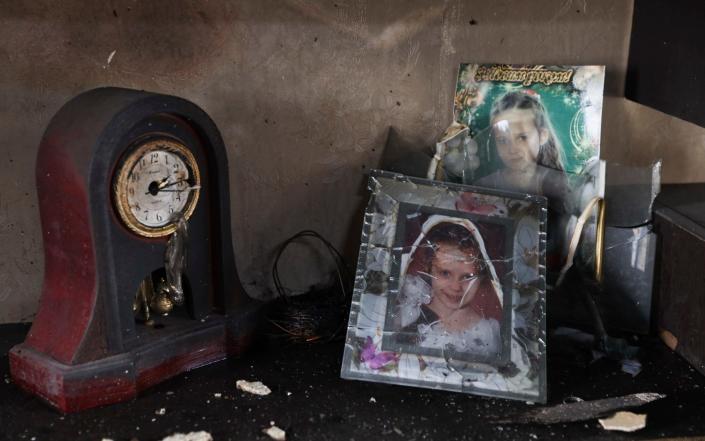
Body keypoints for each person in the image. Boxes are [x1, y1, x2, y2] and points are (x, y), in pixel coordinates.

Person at [395, 216, 504, 357]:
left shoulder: (489, 332)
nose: (456, 287)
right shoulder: (407, 314)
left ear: (483, 276)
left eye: (467, 277)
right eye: (445, 273)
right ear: (429, 268)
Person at [475, 90, 572, 215]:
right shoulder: (484, 187)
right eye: (503, 140)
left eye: (522, 137)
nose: (512, 149)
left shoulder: (556, 185)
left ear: (542, 135)